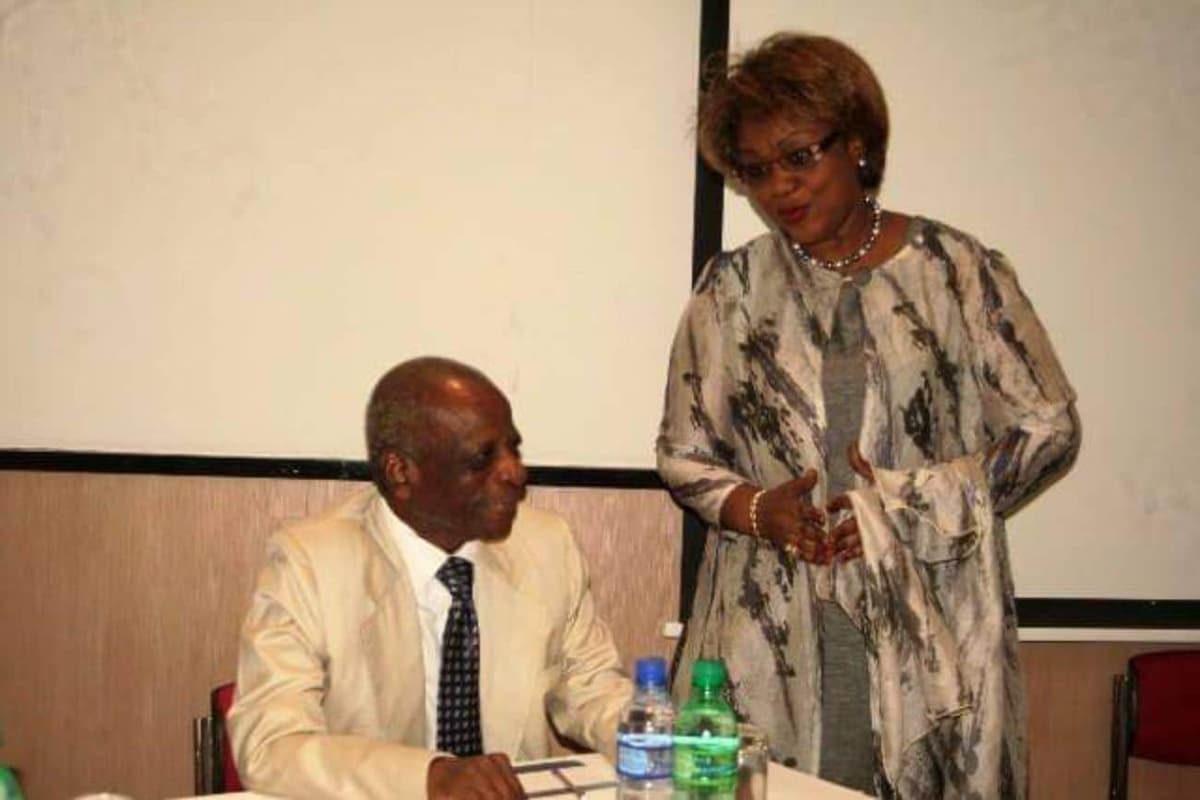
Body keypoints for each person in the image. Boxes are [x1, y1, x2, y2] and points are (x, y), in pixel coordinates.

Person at [657, 33, 1080, 798]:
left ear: (856, 142)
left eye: (799, 156)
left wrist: (905, 506)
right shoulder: (730, 289)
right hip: (769, 625)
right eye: (754, 171)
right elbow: (684, 451)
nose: (780, 187)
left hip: (928, 616)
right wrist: (757, 509)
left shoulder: (958, 271)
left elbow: (1048, 427)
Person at [228, 356, 632, 799]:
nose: (515, 472)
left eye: (512, 448)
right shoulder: (311, 564)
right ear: (400, 472)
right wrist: (429, 776)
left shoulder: (546, 545)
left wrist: (663, 740)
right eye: (483, 458)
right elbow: (270, 746)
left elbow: (590, 688)